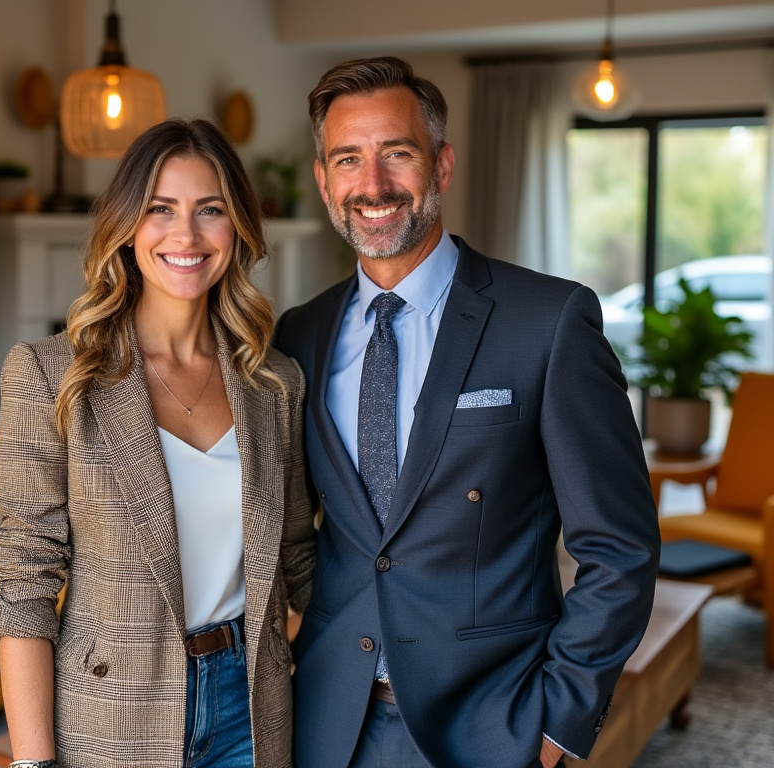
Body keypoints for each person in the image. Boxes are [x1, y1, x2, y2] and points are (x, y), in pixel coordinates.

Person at [274, 57, 661, 768]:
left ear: (442, 165)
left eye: (398, 153)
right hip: (328, 722)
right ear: (325, 181)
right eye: (348, 160)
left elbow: (620, 548)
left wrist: (556, 723)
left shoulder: (549, 321)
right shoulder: (297, 335)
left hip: (490, 728)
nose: (374, 184)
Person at [0, 118, 316, 768]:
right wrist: (32, 764)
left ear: (237, 227)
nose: (186, 235)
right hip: (111, 710)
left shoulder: (275, 381)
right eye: (160, 209)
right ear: (126, 226)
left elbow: (298, 555)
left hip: (252, 705)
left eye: (210, 210)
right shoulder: (50, 373)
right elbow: (24, 586)